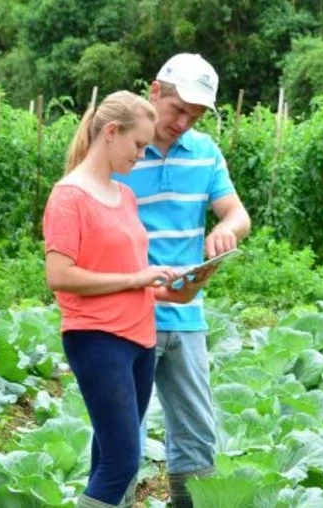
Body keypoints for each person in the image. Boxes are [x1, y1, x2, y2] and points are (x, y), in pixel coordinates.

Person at [43, 90, 207, 508]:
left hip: (140, 338)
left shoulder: (125, 196)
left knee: (108, 452)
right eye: (137, 145)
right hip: (97, 339)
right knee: (122, 459)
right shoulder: (69, 196)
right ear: (111, 132)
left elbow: (131, 278)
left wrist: (171, 290)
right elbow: (59, 276)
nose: (140, 155)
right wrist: (138, 276)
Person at [113, 53, 251, 508]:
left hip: (187, 315)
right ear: (155, 92)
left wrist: (226, 228)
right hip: (131, 314)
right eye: (178, 110)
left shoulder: (205, 153)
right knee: (123, 434)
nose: (183, 122)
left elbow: (237, 213)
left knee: (196, 433)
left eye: (194, 115)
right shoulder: (123, 152)